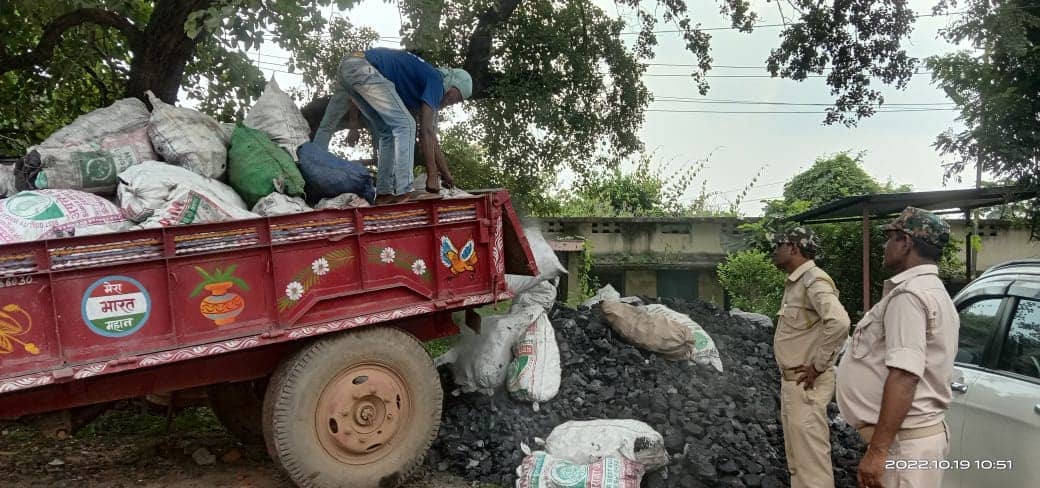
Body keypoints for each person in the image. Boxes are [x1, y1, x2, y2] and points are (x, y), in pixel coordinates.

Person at [836, 207, 959, 488]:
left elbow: (905, 375)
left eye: (890, 238)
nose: (885, 245)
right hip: (912, 441)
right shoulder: (934, 291)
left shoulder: (909, 296)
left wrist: (878, 451)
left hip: (904, 446)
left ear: (905, 243)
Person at [313, 48, 472, 204]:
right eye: (456, 98)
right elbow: (425, 132)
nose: (452, 103)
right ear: (453, 86)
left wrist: (446, 174)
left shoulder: (422, 89)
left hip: (351, 68)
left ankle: (384, 192)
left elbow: (431, 139)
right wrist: (431, 176)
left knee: (387, 131)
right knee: (407, 124)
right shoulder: (436, 81)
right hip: (364, 68)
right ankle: (405, 189)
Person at [772, 226, 851, 488]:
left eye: (779, 244)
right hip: (794, 383)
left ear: (794, 247)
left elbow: (839, 322)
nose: (775, 250)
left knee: (811, 468)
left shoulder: (813, 281)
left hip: (806, 383)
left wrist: (818, 366)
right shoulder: (798, 282)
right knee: (799, 464)